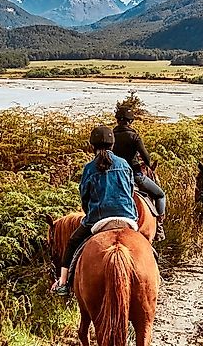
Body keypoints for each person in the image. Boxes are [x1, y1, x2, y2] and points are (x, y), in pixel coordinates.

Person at [51, 125, 138, 294]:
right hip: (127, 217)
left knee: (72, 242)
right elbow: (130, 190)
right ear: (113, 145)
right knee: (147, 247)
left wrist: (89, 211)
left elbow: (85, 197)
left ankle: (62, 283)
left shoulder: (89, 168)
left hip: (98, 219)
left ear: (93, 146)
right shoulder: (125, 164)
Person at [113, 105, 167, 219]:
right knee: (160, 195)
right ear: (131, 121)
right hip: (134, 174)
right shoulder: (134, 136)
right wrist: (148, 165)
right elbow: (146, 158)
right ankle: (160, 225)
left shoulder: (110, 135)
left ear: (117, 120)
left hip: (114, 175)